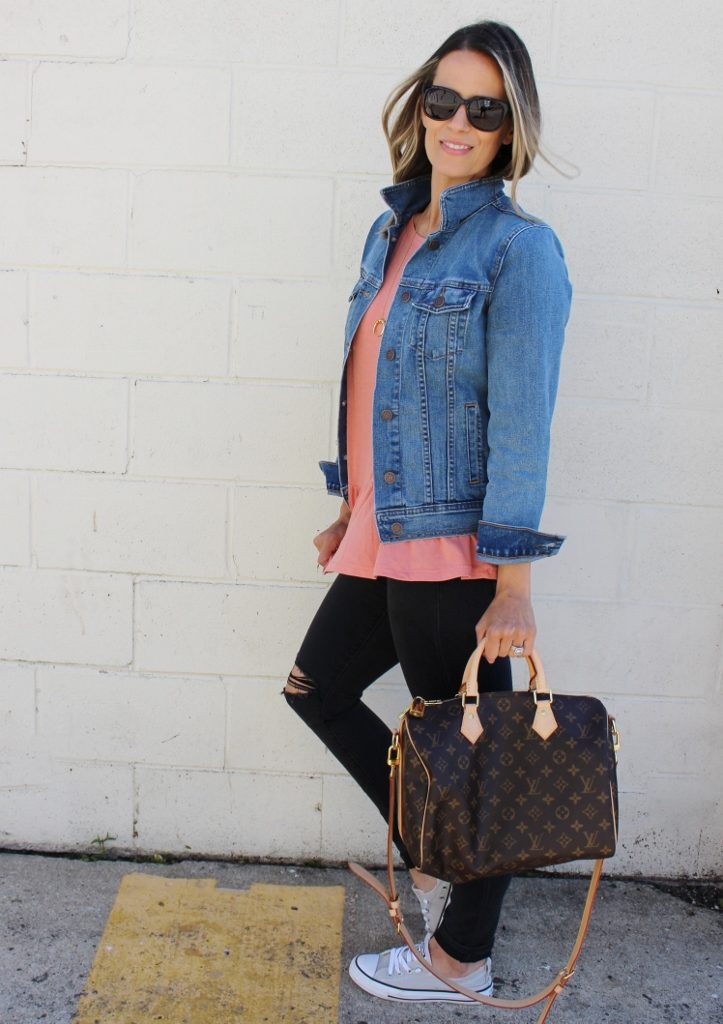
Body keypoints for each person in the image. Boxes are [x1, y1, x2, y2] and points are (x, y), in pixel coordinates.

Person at [284, 19, 572, 1004]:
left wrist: (515, 583)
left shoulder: (519, 251)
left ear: (509, 130)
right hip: (385, 527)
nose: (456, 121)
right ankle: (440, 852)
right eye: (441, 100)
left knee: (463, 762)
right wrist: (351, 502)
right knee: (312, 687)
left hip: (454, 549)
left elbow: (524, 422)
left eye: (482, 109)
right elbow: (375, 381)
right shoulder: (392, 228)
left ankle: (463, 955)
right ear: (419, 108)